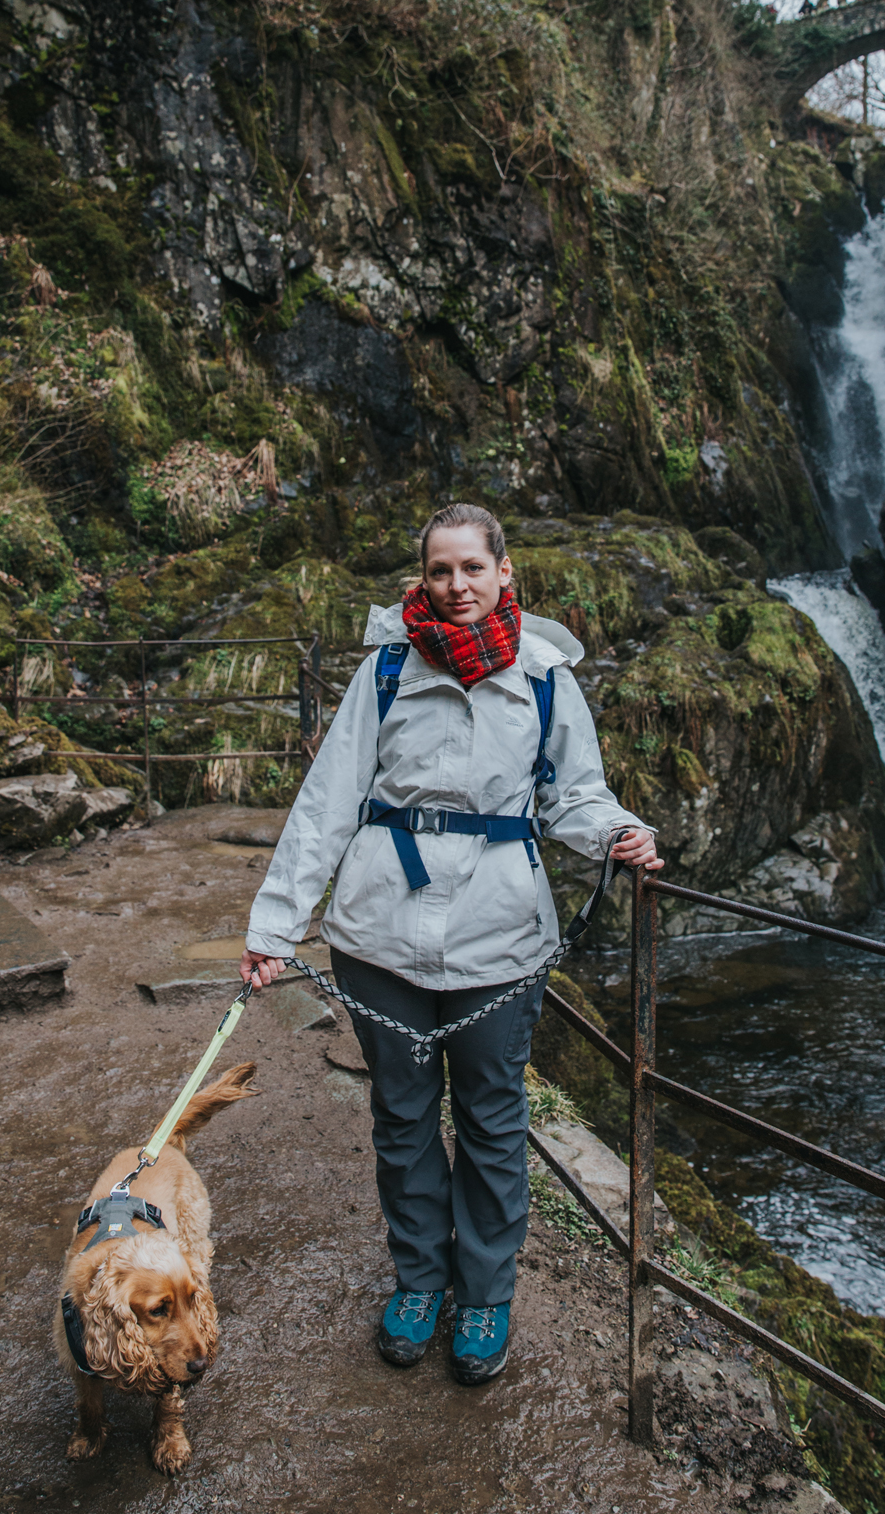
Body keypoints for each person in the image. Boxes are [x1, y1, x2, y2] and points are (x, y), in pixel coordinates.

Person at [240, 503, 660, 1386]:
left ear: (505, 574)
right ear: (421, 579)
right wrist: (274, 927)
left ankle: (484, 1294)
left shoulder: (546, 676)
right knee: (401, 1117)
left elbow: (573, 796)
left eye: (473, 569)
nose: (457, 587)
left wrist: (617, 829)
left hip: (498, 937)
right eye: (441, 572)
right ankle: (420, 1282)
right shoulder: (387, 669)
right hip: (378, 932)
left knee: (493, 1117)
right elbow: (327, 803)